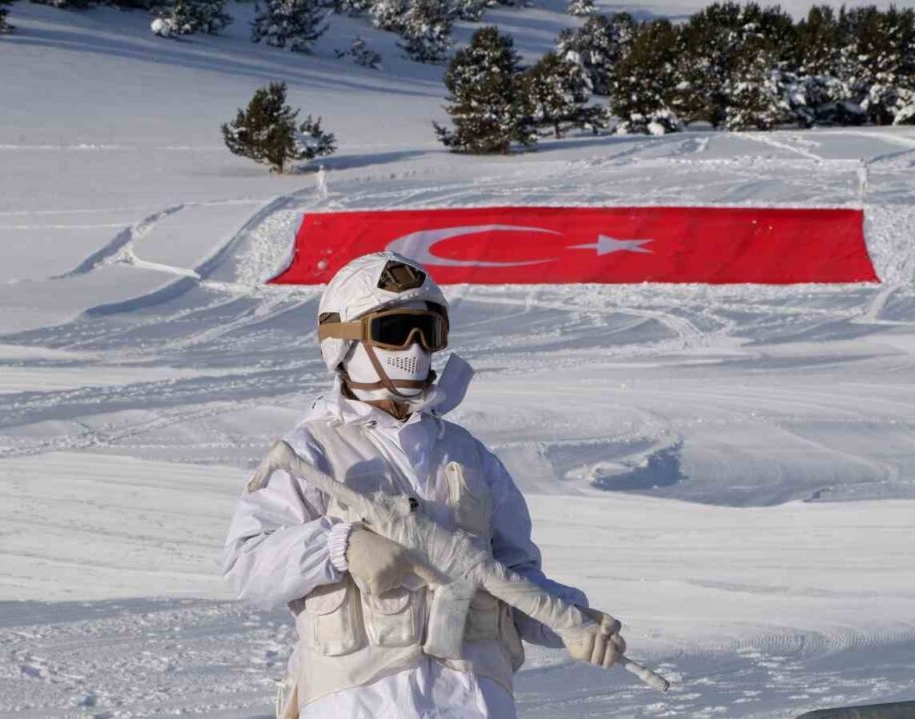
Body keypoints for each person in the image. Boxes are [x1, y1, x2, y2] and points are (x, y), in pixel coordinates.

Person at [222, 252, 625, 719]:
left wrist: (571, 620)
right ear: (343, 342)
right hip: (361, 702)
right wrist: (340, 545)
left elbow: (512, 576)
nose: (414, 348)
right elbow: (245, 565)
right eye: (395, 330)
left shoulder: (467, 454)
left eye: (427, 332)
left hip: (475, 701)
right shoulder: (313, 450)